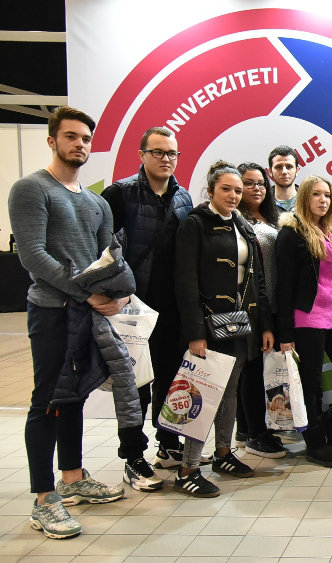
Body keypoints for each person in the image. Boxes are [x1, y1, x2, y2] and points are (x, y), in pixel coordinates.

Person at [9, 106, 130, 539]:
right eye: (71, 136)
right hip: (52, 311)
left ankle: (73, 479)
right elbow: (33, 256)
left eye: (85, 138)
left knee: (74, 396)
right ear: (52, 140)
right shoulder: (31, 188)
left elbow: (109, 258)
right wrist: (86, 293)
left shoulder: (97, 202)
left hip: (87, 312)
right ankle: (44, 499)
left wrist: (119, 293)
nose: (80, 144)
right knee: (47, 400)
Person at [174, 160, 275, 497]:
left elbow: (257, 281)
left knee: (229, 392)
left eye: (237, 190)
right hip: (207, 326)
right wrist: (195, 334)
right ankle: (188, 469)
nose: (233, 195)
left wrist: (264, 326)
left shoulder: (243, 225)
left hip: (239, 325)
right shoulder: (195, 224)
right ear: (210, 191)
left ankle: (222, 453)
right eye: (226, 189)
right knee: (202, 395)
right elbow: (185, 282)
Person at [101, 126, 192, 492]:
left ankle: (168, 444)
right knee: (135, 385)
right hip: (132, 308)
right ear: (141, 155)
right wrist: (116, 291)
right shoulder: (119, 194)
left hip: (172, 308)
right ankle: (133, 458)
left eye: (172, 153)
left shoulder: (183, 197)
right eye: (158, 152)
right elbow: (102, 246)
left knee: (171, 378)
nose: (166, 159)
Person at [276, 175, 332, 467]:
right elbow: (284, 286)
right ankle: (315, 442)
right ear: (305, 197)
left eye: (327, 195)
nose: (323, 200)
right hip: (306, 321)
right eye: (316, 194)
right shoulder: (291, 234)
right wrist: (285, 333)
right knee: (311, 383)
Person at [233, 161, 286, 459]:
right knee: (250, 370)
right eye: (248, 183)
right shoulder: (237, 219)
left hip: (274, 303)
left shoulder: (273, 216)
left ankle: (249, 430)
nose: (256, 188)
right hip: (251, 305)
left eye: (261, 184)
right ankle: (254, 433)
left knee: (260, 371)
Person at [269, 145, 300, 212]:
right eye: (278, 167)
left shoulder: (309, 199)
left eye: (289, 167)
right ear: (270, 172)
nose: (284, 172)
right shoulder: (263, 202)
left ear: (297, 171)